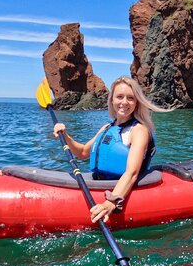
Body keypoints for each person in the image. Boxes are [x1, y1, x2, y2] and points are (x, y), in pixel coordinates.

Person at [53, 76, 169, 223]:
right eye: (119, 97)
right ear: (112, 100)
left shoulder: (139, 130)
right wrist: (65, 136)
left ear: (136, 102)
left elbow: (132, 173)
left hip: (119, 188)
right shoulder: (107, 128)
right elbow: (82, 152)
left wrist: (110, 203)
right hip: (101, 181)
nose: (124, 102)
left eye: (130, 98)